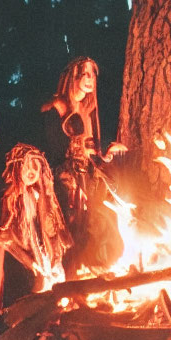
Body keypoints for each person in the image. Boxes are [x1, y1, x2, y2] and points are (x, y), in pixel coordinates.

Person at [41, 57, 126, 275]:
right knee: (73, 222)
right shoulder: (58, 106)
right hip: (64, 175)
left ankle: (95, 265)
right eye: (84, 74)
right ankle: (69, 273)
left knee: (102, 214)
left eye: (92, 75)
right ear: (73, 75)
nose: (89, 79)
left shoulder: (88, 109)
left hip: (87, 175)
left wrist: (106, 155)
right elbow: (55, 149)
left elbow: (91, 150)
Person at [0, 143, 72, 338]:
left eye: (35, 166)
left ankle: (50, 328)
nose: (31, 171)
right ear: (17, 168)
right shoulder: (7, 202)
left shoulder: (42, 198)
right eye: (26, 166)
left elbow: (49, 233)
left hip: (44, 265)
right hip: (21, 275)